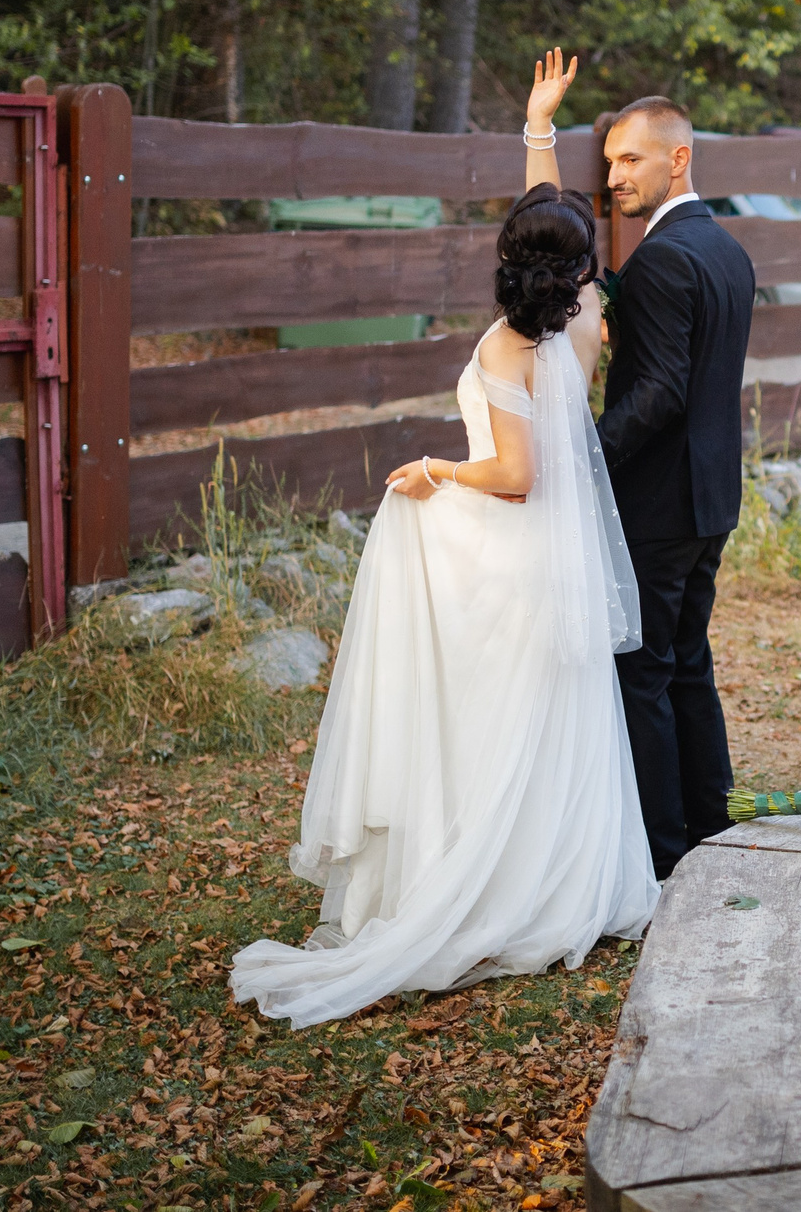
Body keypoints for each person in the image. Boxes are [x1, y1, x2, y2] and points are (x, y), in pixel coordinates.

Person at [231, 50, 657, 1027]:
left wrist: (434, 469)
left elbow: (515, 474)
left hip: (509, 551)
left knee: (483, 723)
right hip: (557, 559)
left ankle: (484, 886)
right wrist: (537, 130)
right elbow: (555, 225)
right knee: (543, 726)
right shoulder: (582, 322)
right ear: (575, 271)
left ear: (510, 261)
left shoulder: (508, 344)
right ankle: (557, 883)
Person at [576, 93, 756, 879]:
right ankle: (712, 825)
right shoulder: (726, 250)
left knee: (644, 673)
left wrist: (583, 454)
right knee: (687, 662)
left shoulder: (663, 258)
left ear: (678, 158)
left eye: (631, 159)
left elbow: (659, 392)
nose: (615, 175)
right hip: (711, 498)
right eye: (610, 161)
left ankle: (663, 856)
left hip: (659, 502)